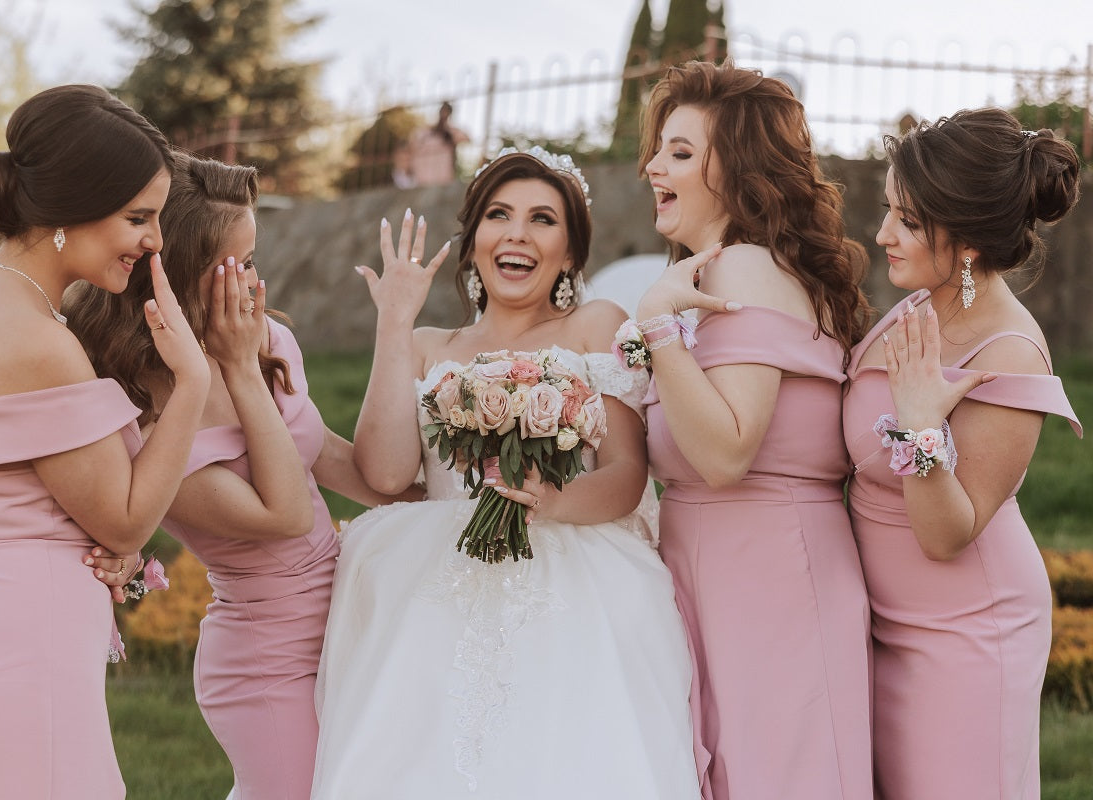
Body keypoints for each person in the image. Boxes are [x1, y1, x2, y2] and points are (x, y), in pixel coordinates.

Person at [310, 147, 701, 798]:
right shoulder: (429, 345)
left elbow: (629, 473)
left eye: (543, 219)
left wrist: (552, 499)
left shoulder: (593, 326)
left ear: (572, 253)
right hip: (432, 579)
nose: (517, 233)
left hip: (574, 571)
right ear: (474, 243)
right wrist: (393, 327)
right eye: (499, 214)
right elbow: (383, 474)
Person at [68, 151, 414, 800]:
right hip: (266, 659)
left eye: (255, 260)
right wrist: (240, 369)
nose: (256, 282)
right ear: (178, 272)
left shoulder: (268, 341)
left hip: (346, 624)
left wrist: (442, 499)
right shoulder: (148, 413)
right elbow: (284, 516)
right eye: (242, 263)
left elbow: (327, 455)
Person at [0, 85, 208, 800]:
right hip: (16, 663)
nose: (155, 240)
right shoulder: (37, 342)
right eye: (139, 218)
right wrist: (190, 384)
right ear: (72, 207)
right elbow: (124, 518)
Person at [633, 61, 875, 799]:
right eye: (659, 148)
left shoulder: (743, 268)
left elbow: (727, 451)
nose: (653, 166)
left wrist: (657, 332)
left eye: (680, 153)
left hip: (766, 579)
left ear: (735, 174)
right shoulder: (720, 272)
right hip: (724, 572)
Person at [844, 108, 1083, 799]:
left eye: (909, 222)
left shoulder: (1008, 349)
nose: (883, 233)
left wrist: (921, 426)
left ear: (970, 240)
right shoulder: (919, 302)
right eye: (890, 210)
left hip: (968, 634)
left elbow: (947, 531)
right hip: (884, 625)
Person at [407, 100, 470, 186]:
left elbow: (466, 139)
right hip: (423, 177)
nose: (444, 114)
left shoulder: (451, 132)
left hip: (443, 177)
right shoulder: (424, 132)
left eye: (447, 112)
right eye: (443, 111)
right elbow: (412, 145)